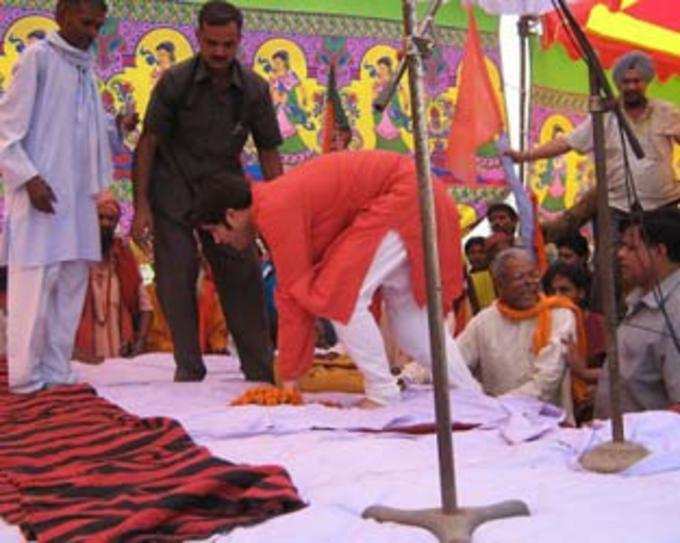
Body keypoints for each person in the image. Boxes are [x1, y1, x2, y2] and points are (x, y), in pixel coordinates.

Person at [192, 150, 482, 408]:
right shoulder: (272, 203)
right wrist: (291, 378)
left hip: (406, 196)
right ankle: (470, 394)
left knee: (341, 297)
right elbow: (297, 291)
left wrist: (290, 380)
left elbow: (293, 297)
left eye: (214, 231)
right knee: (410, 323)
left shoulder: (273, 209)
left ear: (231, 215)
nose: (218, 241)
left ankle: (383, 393)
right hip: (418, 194)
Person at [132, 0, 282, 383]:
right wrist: (142, 206)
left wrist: (276, 209)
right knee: (176, 274)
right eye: (211, 43)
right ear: (197, 37)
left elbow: (268, 151)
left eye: (227, 44)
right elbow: (147, 144)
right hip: (174, 188)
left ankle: (259, 368)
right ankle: (188, 366)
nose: (219, 52)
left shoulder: (254, 89)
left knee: (243, 275)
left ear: (239, 42)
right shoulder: (174, 82)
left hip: (225, 191)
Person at [0, 0, 112, 393]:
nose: (93, 33)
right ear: (61, 16)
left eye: (99, 26)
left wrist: (115, 126)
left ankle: (56, 369)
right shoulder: (37, 59)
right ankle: (26, 377)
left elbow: (85, 128)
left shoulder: (84, 69)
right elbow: (5, 130)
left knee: (70, 282)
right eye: (86, 23)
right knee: (35, 284)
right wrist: (29, 179)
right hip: (41, 194)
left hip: (77, 197)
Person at [505, 51, 680, 238]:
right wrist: (523, 156)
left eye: (636, 81)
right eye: (625, 82)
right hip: (617, 207)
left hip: (661, 204)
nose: (631, 87)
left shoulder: (665, 112)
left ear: (646, 82)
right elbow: (567, 142)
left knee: (661, 259)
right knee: (615, 261)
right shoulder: (604, 117)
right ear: (618, 85)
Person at [571, 209, 680, 418]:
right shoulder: (639, 299)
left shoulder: (675, 312)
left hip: (651, 446)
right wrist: (588, 377)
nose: (620, 254)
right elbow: (636, 376)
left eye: (631, 248)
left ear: (659, 251)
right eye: (622, 246)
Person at [457, 248, 579, 416]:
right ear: (499, 284)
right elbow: (453, 360)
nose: (529, 282)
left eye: (533, 275)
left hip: (549, 423)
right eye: (520, 277)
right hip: (498, 425)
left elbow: (547, 380)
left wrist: (497, 406)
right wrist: (412, 375)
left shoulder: (560, 315)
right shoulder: (484, 321)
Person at [73, 194, 153, 363]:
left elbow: (145, 306)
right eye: (100, 217)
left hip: (120, 358)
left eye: (111, 219)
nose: (105, 223)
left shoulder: (124, 257)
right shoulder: (75, 258)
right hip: (81, 359)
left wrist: (139, 342)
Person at [543, 261, 605, 422]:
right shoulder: (542, 327)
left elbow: (617, 371)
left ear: (581, 293)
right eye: (552, 291)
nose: (557, 297)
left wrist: (588, 379)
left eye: (564, 290)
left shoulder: (597, 324)